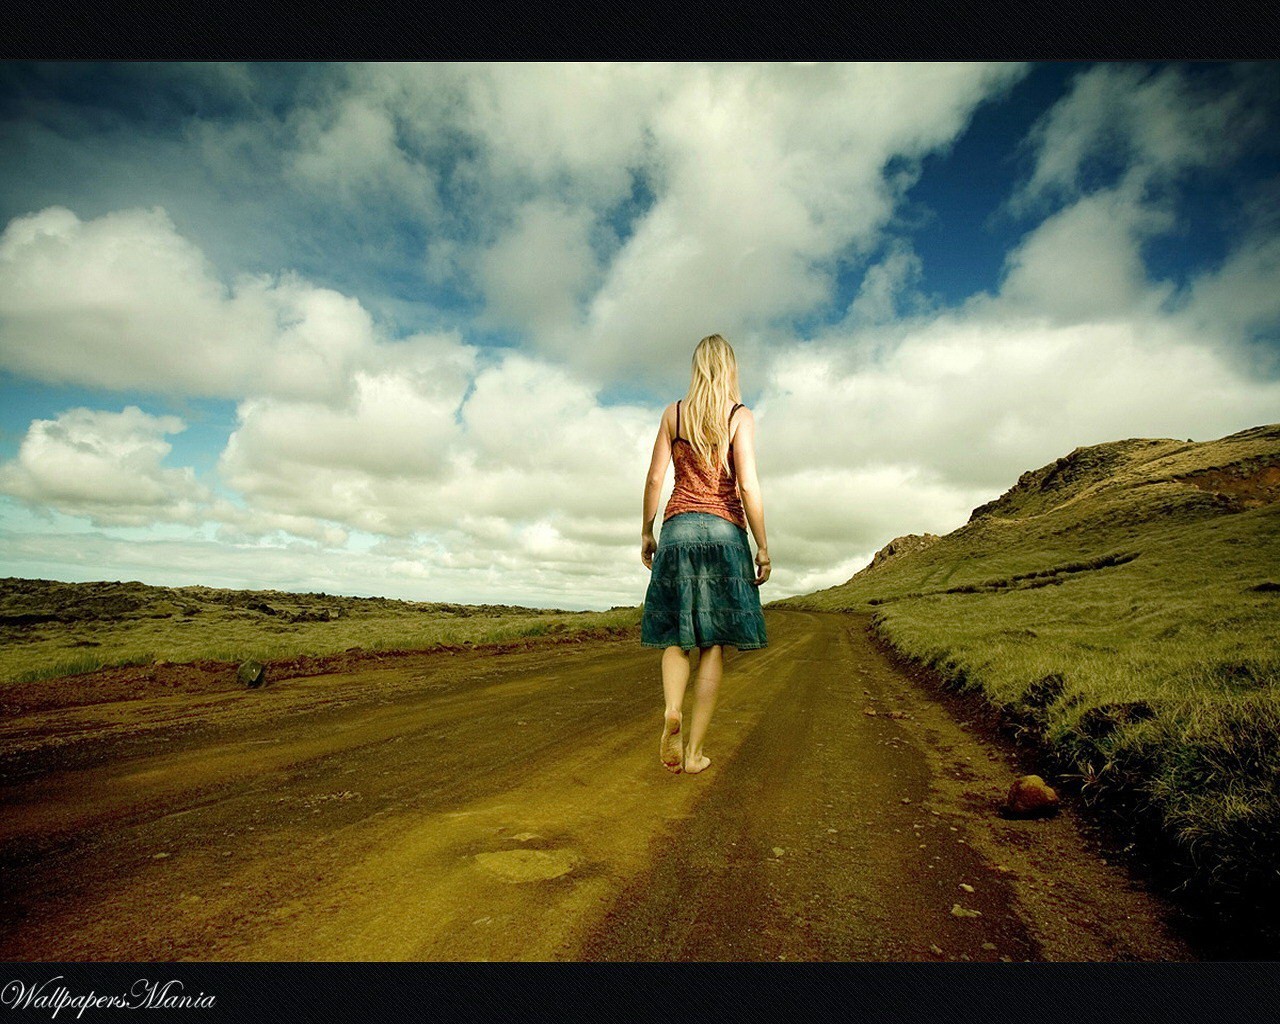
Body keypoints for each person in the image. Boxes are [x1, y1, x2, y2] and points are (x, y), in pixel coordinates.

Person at [639, 333, 770, 776]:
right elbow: (748, 484)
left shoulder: (673, 415)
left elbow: (656, 478)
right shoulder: (739, 416)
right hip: (724, 531)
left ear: (696, 368)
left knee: (677, 633)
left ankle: (672, 709)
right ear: (730, 369)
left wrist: (646, 532)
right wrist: (763, 546)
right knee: (711, 643)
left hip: (676, 530)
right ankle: (693, 753)